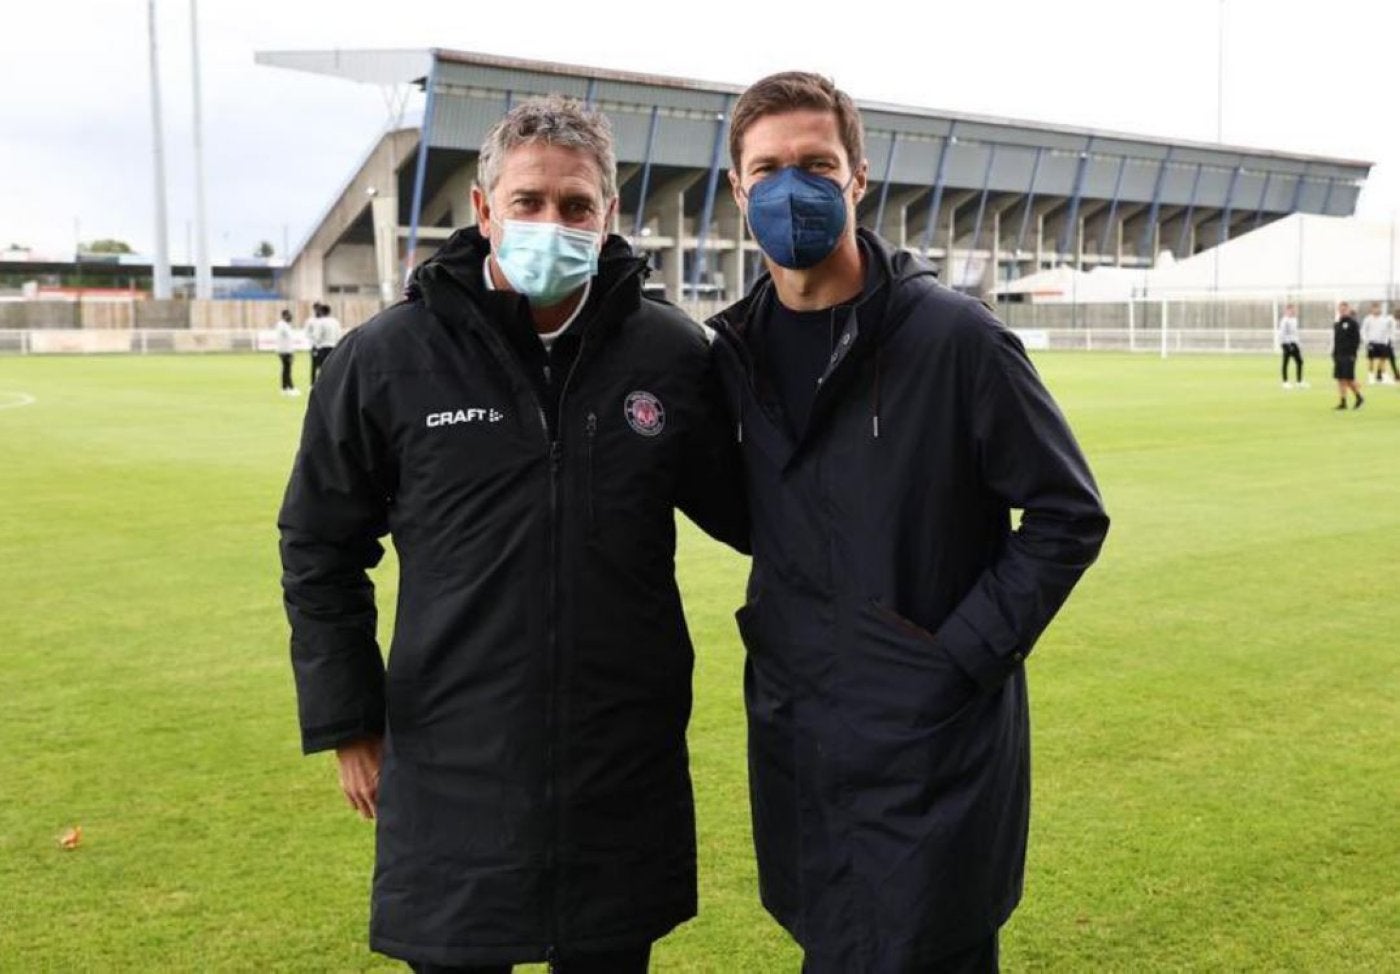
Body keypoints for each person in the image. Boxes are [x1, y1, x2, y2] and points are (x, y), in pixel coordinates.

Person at [278, 95, 746, 973]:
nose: (552, 222)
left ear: (608, 216)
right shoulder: (386, 359)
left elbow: (760, 512)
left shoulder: (672, 357)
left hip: (621, 760)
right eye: (528, 202)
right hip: (452, 759)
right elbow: (319, 545)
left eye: (576, 206)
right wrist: (348, 719)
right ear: (486, 208)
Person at [707, 72, 1110, 973]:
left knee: (931, 945)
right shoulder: (731, 355)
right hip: (802, 739)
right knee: (831, 944)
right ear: (737, 190)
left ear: (857, 178)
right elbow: (758, 516)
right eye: (766, 169)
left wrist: (954, 657)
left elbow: (1067, 513)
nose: (789, 187)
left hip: (934, 745)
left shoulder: (955, 339)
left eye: (815, 163)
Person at [1333, 301, 1364, 409]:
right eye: (1340, 309)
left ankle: (1359, 397)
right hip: (1338, 356)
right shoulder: (1337, 324)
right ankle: (1343, 402)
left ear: (1348, 310)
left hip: (1349, 355)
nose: (1342, 311)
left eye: (1344, 309)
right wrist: (1334, 353)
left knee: (1349, 379)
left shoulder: (1353, 323)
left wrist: (1353, 354)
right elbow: (1336, 340)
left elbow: (1357, 340)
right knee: (1340, 379)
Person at [308, 302, 342, 386]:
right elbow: (339, 335)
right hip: (334, 347)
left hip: (323, 348)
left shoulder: (320, 322)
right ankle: (333, 385)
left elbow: (317, 337)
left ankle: (322, 385)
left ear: (322, 312)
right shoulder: (335, 322)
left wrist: (315, 347)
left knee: (322, 368)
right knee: (332, 368)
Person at [1276, 303, 1305, 388]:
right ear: (1287, 310)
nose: (1293, 311)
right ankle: (1285, 382)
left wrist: (1298, 343)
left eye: (1293, 310)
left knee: (1299, 361)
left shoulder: (1294, 320)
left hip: (1294, 343)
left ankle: (1299, 381)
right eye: (1291, 310)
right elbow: (1282, 334)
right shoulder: (1284, 320)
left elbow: (1295, 333)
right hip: (1286, 343)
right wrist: (1285, 344)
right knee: (1286, 362)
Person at [274, 309, 300, 396]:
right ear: (284, 316)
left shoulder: (284, 325)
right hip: (285, 351)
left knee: (286, 369)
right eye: (288, 315)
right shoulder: (283, 325)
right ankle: (289, 388)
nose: (290, 317)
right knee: (287, 370)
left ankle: (285, 387)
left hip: (285, 350)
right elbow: (288, 338)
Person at [1361, 301, 1388, 384]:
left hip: (1382, 342)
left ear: (1379, 309)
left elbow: (1386, 331)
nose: (1376, 310)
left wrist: (1386, 340)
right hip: (1371, 342)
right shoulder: (1367, 319)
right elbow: (1363, 331)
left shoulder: (1384, 319)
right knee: (1371, 360)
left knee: (1383, 359)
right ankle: (1371, 377)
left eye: (1377, 308)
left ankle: (1380, 375)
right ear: (1372, 309)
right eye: (1374, 308)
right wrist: (1366, 341)